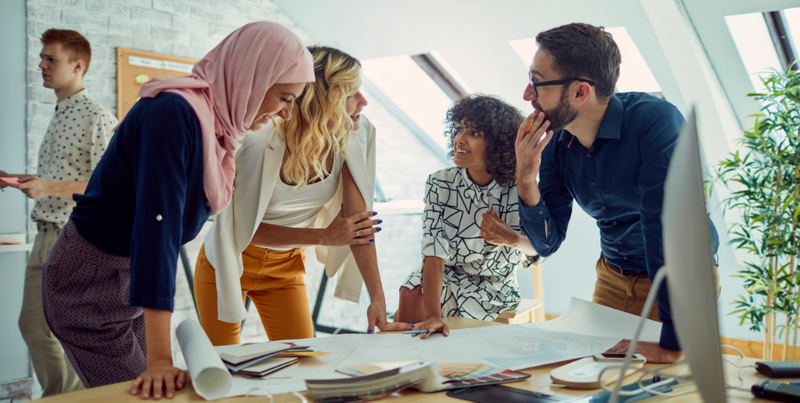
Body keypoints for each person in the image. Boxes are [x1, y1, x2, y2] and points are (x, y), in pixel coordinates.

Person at [39, 22, 315, 400]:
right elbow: (157, 230)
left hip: (127, 278)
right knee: (142, 393)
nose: (286, 113)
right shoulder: (173, 114)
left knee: (153, 392)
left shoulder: (215, 127)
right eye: (285, 97)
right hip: (89, 284)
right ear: (252, 76)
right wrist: (160, 359)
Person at [514, 23, 719, 363]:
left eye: (537, 81)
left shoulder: (656, 122)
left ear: (580, 92)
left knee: (664, 388)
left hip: (678, 278)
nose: (526, 94)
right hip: (611, 278)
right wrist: (525, 177)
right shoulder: (555, 144)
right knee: (598, 379)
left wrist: (674, 341)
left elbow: (666, 227)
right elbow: (547, 242)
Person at [195, 46, 411, 345]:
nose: (363, 101)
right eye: (351, 94)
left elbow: (357, 225)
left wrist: (378, 301)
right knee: (223, 364)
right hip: (229, 259)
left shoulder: (353, 133)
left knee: (303, 361)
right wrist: (323, 236)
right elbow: (239, 230)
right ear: (324, 99)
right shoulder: (258, 139)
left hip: (287, 267)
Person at [0, 28, 116, 398]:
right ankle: (70, 396)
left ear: (78, 65)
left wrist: (48, 187)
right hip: (45, 235)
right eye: (42, 57)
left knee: (47, 329)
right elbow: (67, 177)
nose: (42, 64)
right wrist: (25, 180)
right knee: (35, 327)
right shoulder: (59, 113)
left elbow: (108, 185)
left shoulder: (95, 116)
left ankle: (63, 398)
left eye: (52, 59)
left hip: (72, 238)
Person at [394, 95, 544, 339]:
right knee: (411, 293)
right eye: (460, 129)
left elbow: (540, 250)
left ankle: (457, 368)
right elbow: (433, 251)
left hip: (494, 285)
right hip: (448, 272)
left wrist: (511, 239)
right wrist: (433, 315)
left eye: (474, 133)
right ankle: (414, 366)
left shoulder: (519, 187)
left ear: (498, 144)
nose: (460, 139)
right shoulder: (439, 182)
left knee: (438, 320)